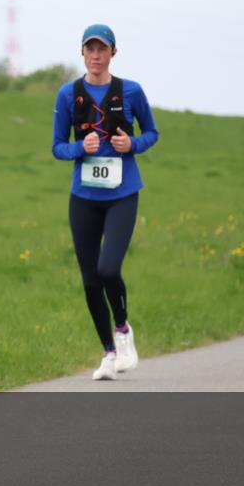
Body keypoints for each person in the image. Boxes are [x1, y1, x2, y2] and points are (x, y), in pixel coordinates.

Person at [51, 24, 159, 381]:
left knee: (108, 269)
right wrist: (81, 147)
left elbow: (152, 133)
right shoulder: (68, 94)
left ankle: (124, 330)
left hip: (122, 194)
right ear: (82, 53)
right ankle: (108, 354)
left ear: (113, 53)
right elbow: (57, 147)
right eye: (90, 49)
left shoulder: (131, 91)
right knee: (89, 280)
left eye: (103, 49)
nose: (96, 55)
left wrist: (134, 145)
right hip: (83, 197)